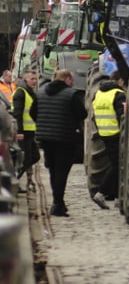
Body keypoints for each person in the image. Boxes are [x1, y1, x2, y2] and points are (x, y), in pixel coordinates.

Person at [35, 69, 87, 217]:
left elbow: (33, 112)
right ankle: (57, 204)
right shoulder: (71, 94)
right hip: (65, 138)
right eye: (72, 80)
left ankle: (59, 202)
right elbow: (83, 114)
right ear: (67, 79)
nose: (73, 83)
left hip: (45, 138)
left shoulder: (40, 93)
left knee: (52, 169)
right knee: (62, 171)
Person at [90, 70, 126, 209]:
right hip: (116, 134)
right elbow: (122, 117)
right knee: (118, 165)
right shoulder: (118, 94)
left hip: (104, 133)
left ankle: (117, 197)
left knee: (115, 164)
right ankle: (101, 192)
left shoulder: (98, 94)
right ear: (120, 81)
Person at [12, 70, 40, 184]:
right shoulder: (21, 93)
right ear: (25, 80)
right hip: (23, 132)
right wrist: (19, 132)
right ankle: (14, 181)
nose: (34, 81)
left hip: (30, 131)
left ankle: (15, 179)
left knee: (34, 157)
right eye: (32, 79)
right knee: (25, 159)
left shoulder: (30, 92)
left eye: (35, 78)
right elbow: (17, 114)